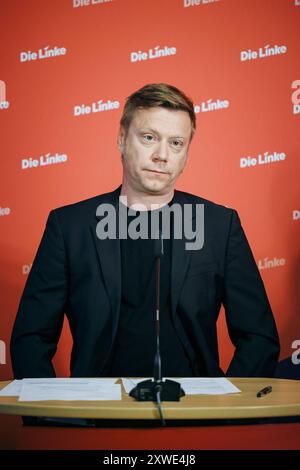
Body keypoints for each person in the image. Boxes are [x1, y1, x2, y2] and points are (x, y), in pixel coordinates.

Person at [10, 83, 280, 380]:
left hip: (197, 413)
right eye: (149, 138)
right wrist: (56, 413)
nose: (162, 155)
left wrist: (227, 406)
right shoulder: (70, 226)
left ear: (187, 153)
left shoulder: (219, 225)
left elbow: (259, 337)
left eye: (176, 143)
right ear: (122, 139)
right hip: (96, 413)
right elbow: (31, 338)